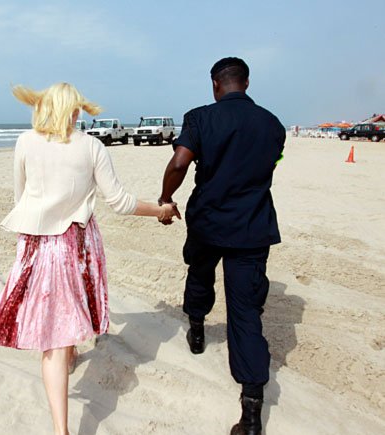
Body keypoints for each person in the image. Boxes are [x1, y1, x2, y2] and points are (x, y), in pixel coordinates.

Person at [0, 82, 179, 435]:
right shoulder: (91, 146)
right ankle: (62, 429)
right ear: (71, 110)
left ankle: (69, 361)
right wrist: (161, 209)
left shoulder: (25, 142)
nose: (78, 113)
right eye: (76, 108)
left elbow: (20, 198)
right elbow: (120, 202)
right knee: (60, 332)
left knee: (56, 317)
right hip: (76, 244)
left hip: (36, 244)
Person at [159, 57, 285, 435]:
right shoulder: (273, 124)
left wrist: (165, 198)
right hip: (252, 225)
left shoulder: (200, 118)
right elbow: (269, 166)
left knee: (200, 274)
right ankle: (251, 414)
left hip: (209, 221)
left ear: (216, 84)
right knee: (245, 312)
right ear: (246, 83)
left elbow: (179, 163)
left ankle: (197, 330)